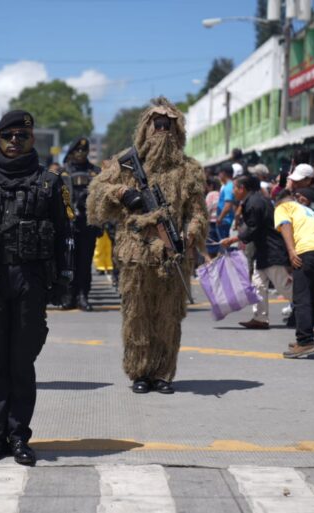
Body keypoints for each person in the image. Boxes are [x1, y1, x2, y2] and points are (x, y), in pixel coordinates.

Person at [0, 110, 73, 465]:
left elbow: (64, 233)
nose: (15, 143)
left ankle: (19, 436)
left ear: (32, 140)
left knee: (22, 362)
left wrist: (65, 279)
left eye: (22, 136)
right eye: (8, 137)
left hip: (30, 280)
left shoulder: (49, 182)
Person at [87, 97, 208, 394]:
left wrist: (191, 232)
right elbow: (96, 193)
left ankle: (163, 373)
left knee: (168, 318)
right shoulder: (127, 163)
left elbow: (197, 210)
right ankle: (140, 372)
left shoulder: (189, 170)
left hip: (172, 255)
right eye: (158, 125)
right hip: (135, 252)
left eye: (169, 125)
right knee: (137, 316)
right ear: (146, 128)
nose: (163, 131)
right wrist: (122, 192)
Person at [220, 174, 291, 330]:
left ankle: (312, 306)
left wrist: (232, 240)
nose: (232, 193)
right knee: (258, 284)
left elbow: (253, 227)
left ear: (242, 188)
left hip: (272, 249)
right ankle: (260, 318)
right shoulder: (253, 201)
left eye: (234, 189)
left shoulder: (255, 202)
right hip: (264, 250)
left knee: (284, 287)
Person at [274, 190, 314, 358]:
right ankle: (306, 337)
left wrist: (291, 251)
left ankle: (305, 341)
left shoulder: (283, 207)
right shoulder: (306, 210)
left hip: (308, 253)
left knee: (301, 298)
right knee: (313, 297)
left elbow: (285, 224)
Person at [61, 136, 101, 311]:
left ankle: (83, 295)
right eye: (77, 150)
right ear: (71, 152)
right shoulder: (64, 173)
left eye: (84, 150)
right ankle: (69, 295)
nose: (81, 153)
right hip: (69, 225)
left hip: (88, 224)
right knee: (68, 262)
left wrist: (101, 223)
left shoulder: (95, 172)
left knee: (85, 263)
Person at [216, 163, 235, 239]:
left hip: (225, 221)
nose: (219, 176)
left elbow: (228, 205)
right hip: (226, 220)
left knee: (224, 246)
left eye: (219, 173)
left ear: (223, 173)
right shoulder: (230, 185)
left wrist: (220, 218)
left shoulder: (228, 187)